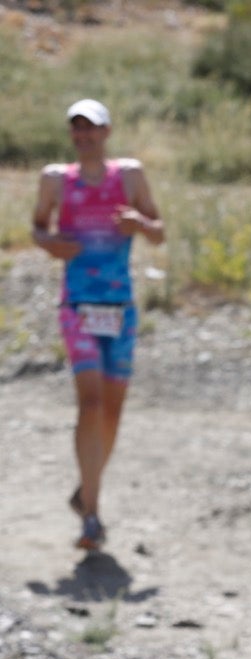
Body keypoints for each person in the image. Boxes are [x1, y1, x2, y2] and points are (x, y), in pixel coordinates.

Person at [31, 98, 164, 552]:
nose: (85, 136)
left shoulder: (128, 175)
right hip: (78, 305)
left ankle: (84, 490)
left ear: (107, 132)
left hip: (120, 306)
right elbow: (37, 228)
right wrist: (50, 245)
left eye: (92, 128)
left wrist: (139, 223)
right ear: (72, 135)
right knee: (89, 403)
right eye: (78, 129)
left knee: (112, 412)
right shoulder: (55, 180)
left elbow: (159, 229)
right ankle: (92, 515)